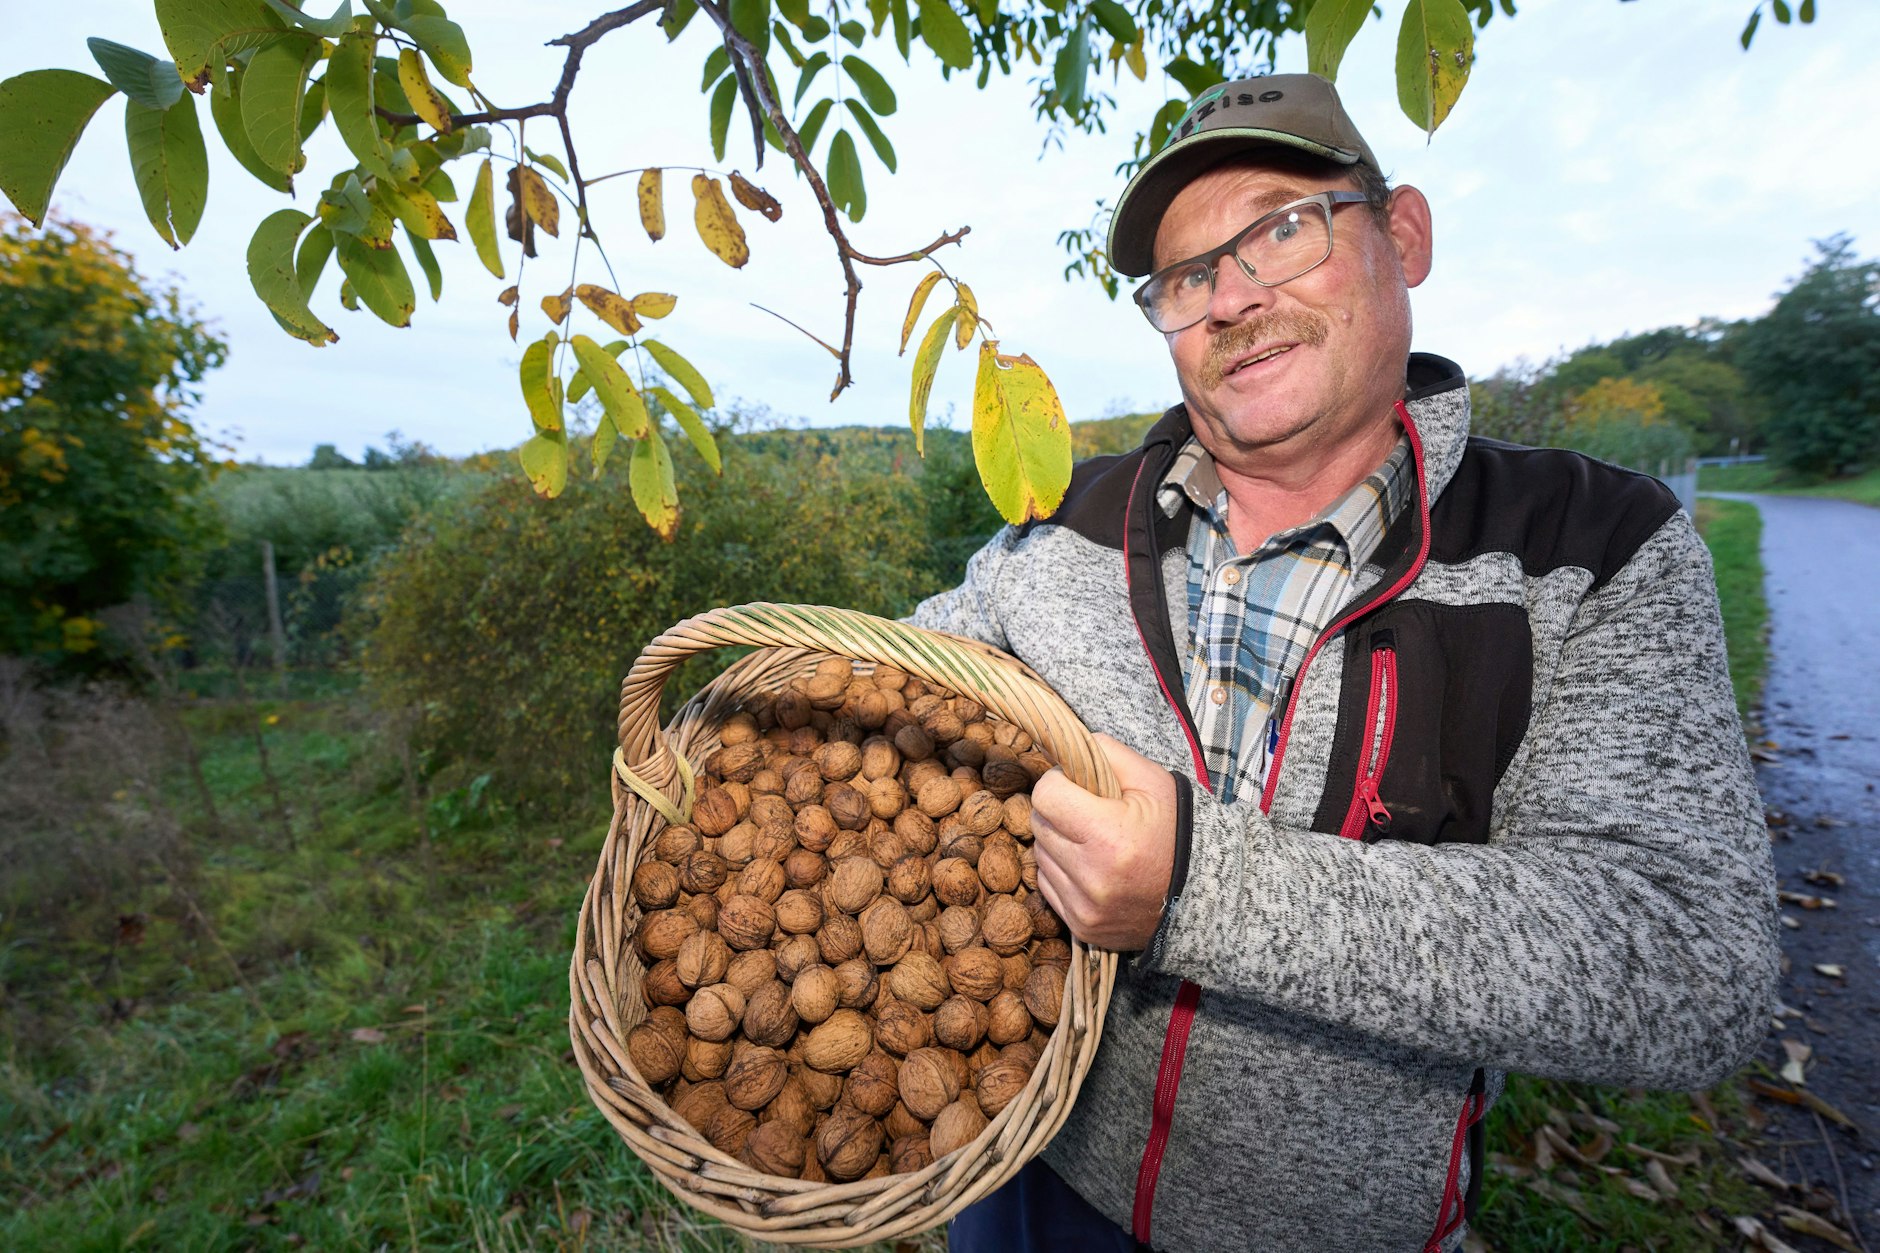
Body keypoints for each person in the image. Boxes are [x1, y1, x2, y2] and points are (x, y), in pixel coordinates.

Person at [914, 72, 1778, 1252]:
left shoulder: (1582, 550)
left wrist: (1191, 888)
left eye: (1279, 228)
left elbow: (1692, 966)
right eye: (1184, 276)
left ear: (1402, 233)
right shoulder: (1058, 525)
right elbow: (904, 675)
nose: (1232, 298)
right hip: (1025, 1181)